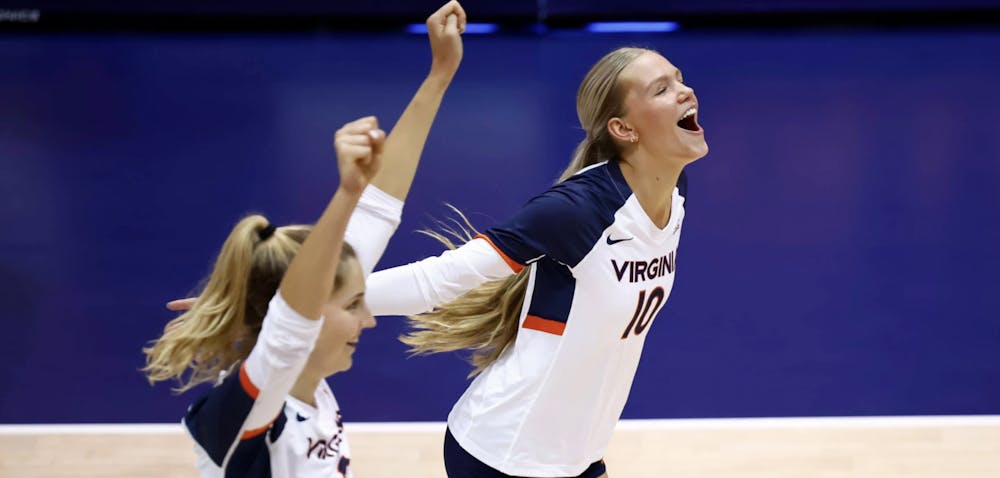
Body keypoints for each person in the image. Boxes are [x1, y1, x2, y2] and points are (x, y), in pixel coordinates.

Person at [146, 3, 466, 476]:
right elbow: (290, 322)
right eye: (354, 304)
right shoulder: (254, 406)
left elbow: (379, 210)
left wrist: (440, 73)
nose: (370, 320)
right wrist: (345, 192)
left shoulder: (306, 378)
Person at [364, 46, 707, 478]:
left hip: (576, 457)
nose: (685, 91)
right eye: (662, 88)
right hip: (504, 456)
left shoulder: (675, 194)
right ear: (623, 128)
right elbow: (437, 281)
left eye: (678, 78)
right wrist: (312, 298)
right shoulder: (578, 211)